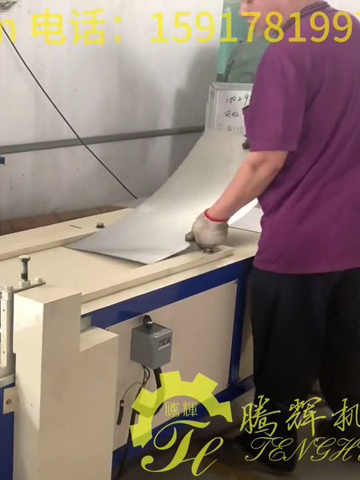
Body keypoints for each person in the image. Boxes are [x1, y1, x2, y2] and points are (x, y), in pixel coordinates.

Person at [188, 0, 360, 473]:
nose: (244, 10)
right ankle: (351, 433)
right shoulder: (352, 31)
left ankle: (274, 449)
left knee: (284, 355)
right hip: (353, 235)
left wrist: (214, 216)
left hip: (301, 241)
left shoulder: (288, 51)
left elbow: (266, 159)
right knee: (347, 351)